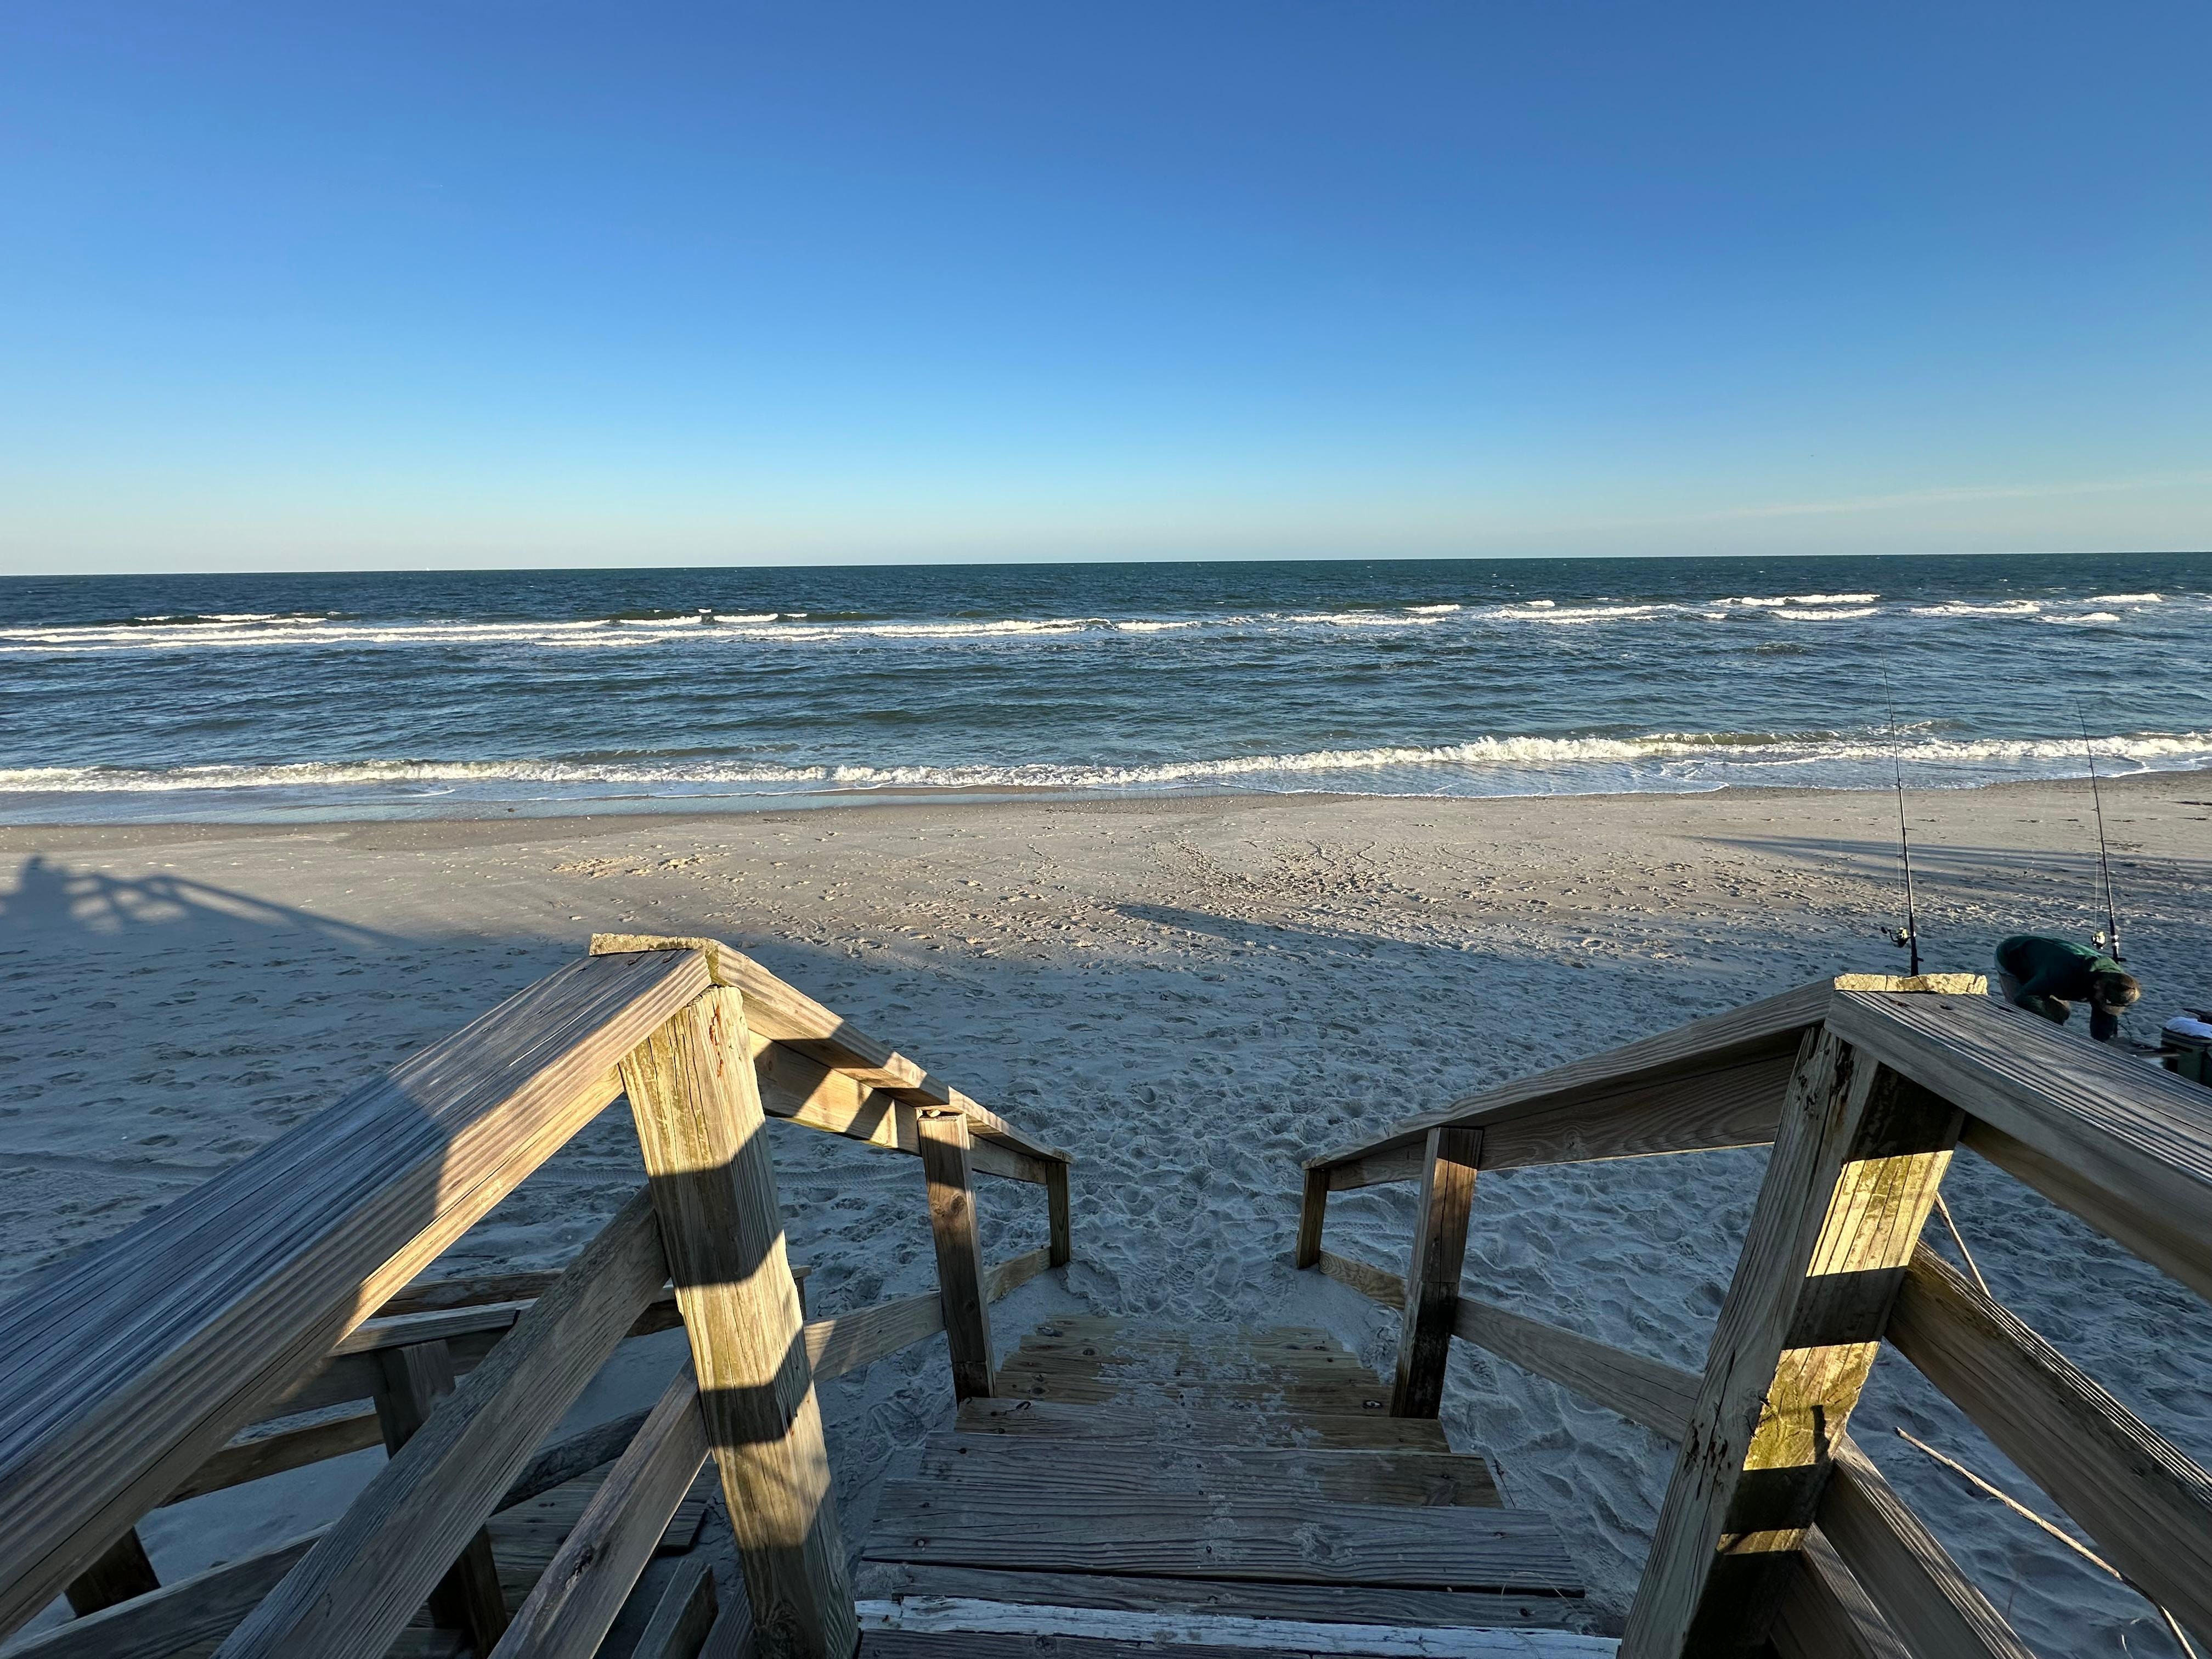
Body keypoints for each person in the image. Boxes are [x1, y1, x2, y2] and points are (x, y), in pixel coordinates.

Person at [1993, 934, 2140, 1042]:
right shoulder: (2062, 973)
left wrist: (2105, 1042)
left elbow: (2103, 1012)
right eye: (2103, 999)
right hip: (2013, 957)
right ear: (2097, 985)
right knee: (2030, 1016)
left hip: (2046, 966)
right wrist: (2054, 1027)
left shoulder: (2113, 979)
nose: (2103, 1003)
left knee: (2060, 1012)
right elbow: (2026, 997)